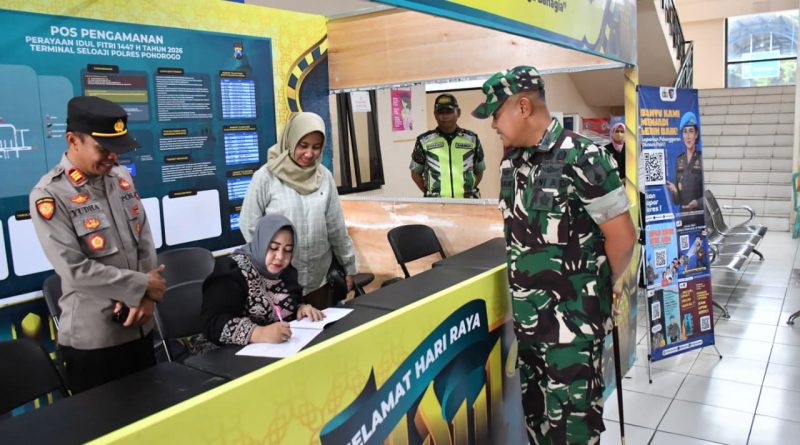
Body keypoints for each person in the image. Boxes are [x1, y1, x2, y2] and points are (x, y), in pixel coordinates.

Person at [472, 66, 636, 444]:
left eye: (496, 113)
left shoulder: (584, 156)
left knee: (573, 431)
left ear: (523, 107)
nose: (493, 124)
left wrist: (605, 286)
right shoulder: (512, 164)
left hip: (573, 330)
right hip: (530, 328)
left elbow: (623, 238)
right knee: (538, 426)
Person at [29, 96, 165, 393]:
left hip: (140, 326)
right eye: (103, 148)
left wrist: (147, 298)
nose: (112, 157)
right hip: (95, 342)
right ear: (72, 140)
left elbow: (144, 239)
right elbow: (75, 270)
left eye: (117, 148)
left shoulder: (121, 177)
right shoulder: (49, 195)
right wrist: (143, 284)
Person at [239, 112, 357, 309]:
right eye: (303, 145)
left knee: (322, 326)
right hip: (278, 283)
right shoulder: (266, 177)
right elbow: (249, 225)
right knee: (286, 328)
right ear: (291, 141)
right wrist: (270, 263)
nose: (309, 153)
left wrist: (349, 266)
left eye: (316, 147)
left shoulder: (324, 177)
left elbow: (336, 228)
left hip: (318, 279)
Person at [202, 214, 324, 346]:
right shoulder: (232, 271)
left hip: (281, 349)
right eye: (273, 248)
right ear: (261, 243)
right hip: (229, 353)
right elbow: (213, 324)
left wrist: (301, 309)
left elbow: (290, 306)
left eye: (288, 250)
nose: (280, 256)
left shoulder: (286, 272)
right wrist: (259, 333)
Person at [410, 93, 486, 198]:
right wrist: (433, 194)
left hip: (468, 202)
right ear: (435, 115)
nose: (445, 116)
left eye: (449, 111)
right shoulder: (424, 141)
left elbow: (479, 171)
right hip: (436, 204)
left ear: (458, 112)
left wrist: (466, 191)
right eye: (440, 112)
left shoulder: (472, 139)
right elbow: (415, 174)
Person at [666, 111, 703, 212]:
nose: (688, 136)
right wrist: (674, 191)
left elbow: (708, 193)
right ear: (682, 135)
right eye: (685, 132)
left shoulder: (702, 159)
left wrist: (698, 203)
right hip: (683, 217)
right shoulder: (679, 160)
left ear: (696, 134)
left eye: (691, 131)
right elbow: (677, 202)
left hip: (699, 216)